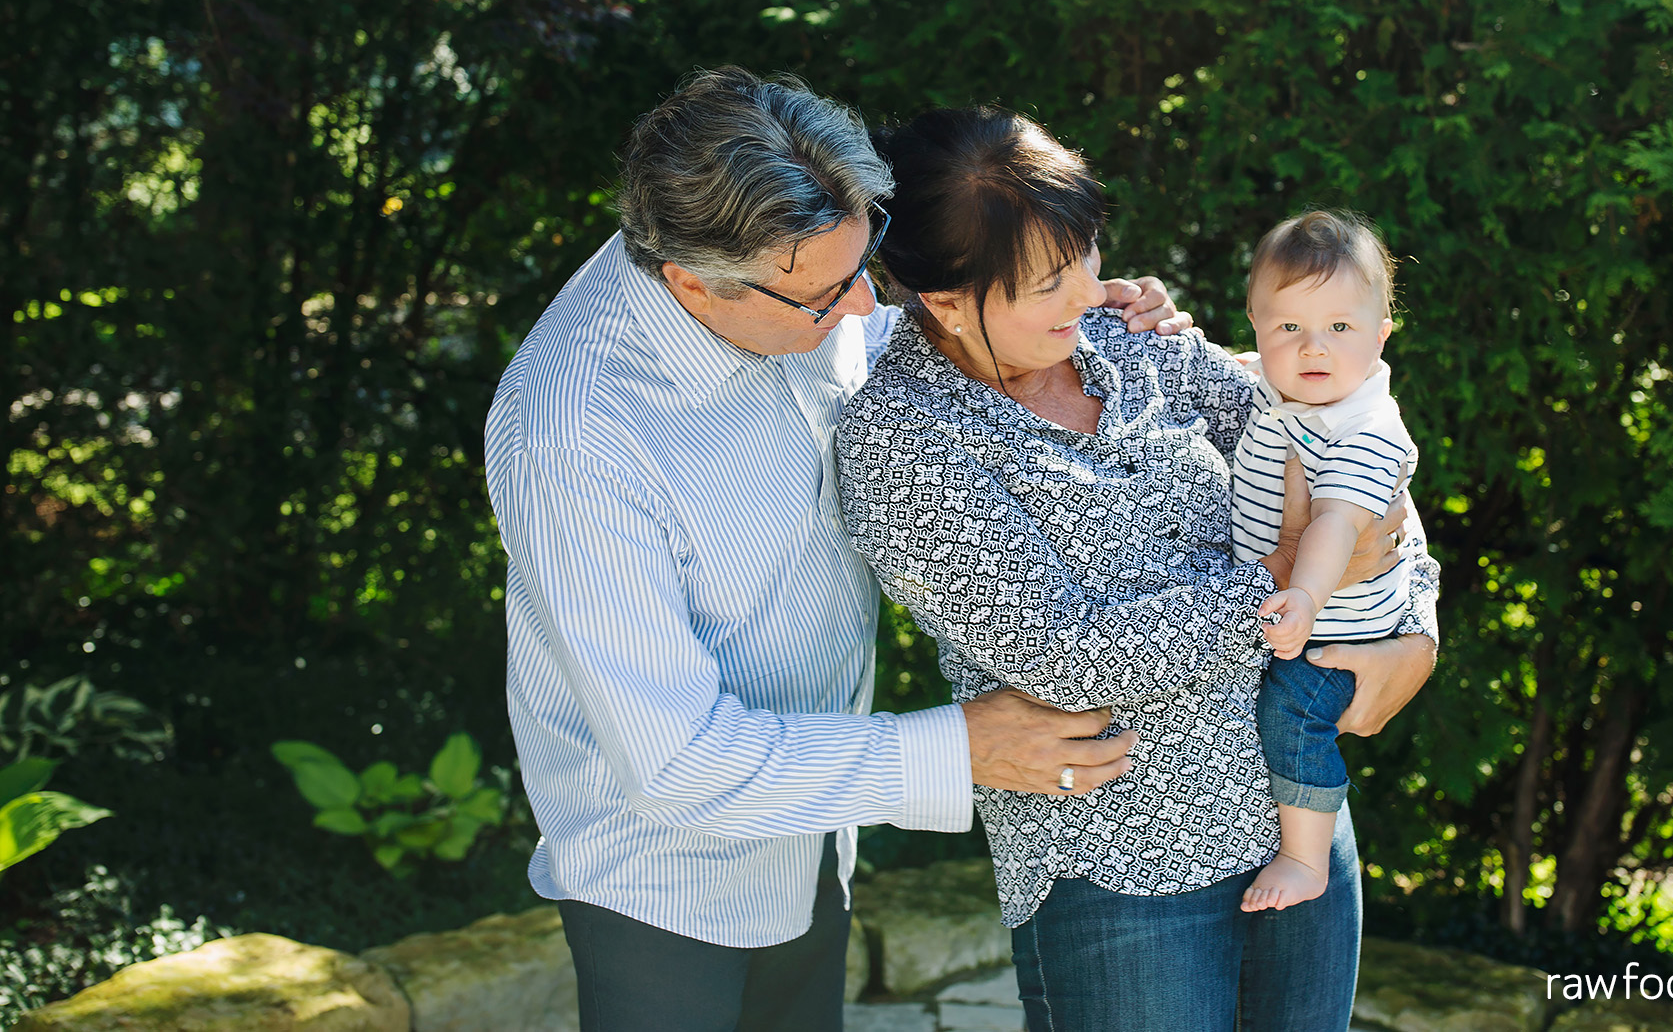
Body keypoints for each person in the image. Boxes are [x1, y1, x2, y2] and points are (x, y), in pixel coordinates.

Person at [482, 67, 1195, 1032]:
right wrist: (962, 747)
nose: (865, 308)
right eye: (827, 296)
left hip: (815, 832)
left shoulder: (792, 281)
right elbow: (680, 762)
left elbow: (902, 328)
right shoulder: (573, 431)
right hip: (662, 882)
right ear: (692, 279)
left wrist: (1056, 307)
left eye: (867, 265)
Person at [834, 106, 1440, 1032]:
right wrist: (1281, 585)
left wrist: (1416, 626)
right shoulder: (904, 440)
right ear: (945, 300)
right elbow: (1066, 655)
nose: (1085, 289)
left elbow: (1349, 449)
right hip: (1124, 866)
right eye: (1046, 279)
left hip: (1297, 819)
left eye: (1084, 251)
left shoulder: (1128, 338)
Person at [1234, 211, 1421, 913]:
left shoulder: (1366, 428)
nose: (1314, 347)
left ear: (1380, 335)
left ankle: (1307, 858)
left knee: (1291, 714)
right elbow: (1238, 367)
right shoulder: (1282, 388)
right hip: (1306, 612)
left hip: (1341, 631)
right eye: (1289, 327)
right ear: (1255, 326)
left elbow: (1337, 523)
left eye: (1340, 328)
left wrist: (1306, 595)